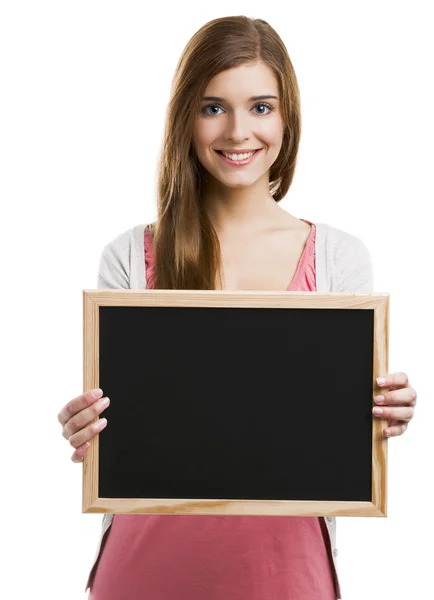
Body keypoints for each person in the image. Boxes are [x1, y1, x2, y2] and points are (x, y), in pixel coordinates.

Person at [57, 15, 417, 600]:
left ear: (286, 117)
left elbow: (330, 430)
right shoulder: (130, 256)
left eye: (260, 107)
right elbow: (125, 432)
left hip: (286, 575)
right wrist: (89, 430)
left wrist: (379, 414)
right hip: (144, 572)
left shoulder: (337, 259)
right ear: (186, 119)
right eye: (213, 107)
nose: (238, 131)